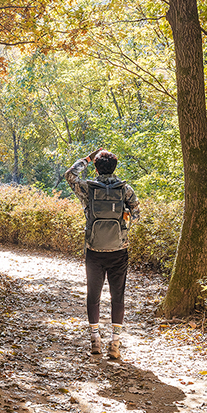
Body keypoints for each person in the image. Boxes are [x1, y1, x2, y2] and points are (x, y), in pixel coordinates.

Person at [65, 148, 139, 360]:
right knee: (118, 297)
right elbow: (136, 215)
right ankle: (115, 343)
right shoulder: (125, 189)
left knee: (93, 296)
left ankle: (95, 339)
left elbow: (70, 175)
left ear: (96, 168)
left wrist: (87, 158)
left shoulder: (88, 187)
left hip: (94, 251)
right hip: (119, 250)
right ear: (115, 167)